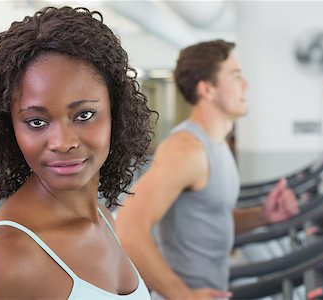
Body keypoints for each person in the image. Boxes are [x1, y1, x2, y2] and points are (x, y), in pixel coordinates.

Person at [0, 6, 156, 299]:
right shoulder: (6, 257)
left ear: (116, 113)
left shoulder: (103, 220)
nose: (62, 142)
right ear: (10, 129)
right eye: (36, 122)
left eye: (84, 115)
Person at [115, 39, 300, 300]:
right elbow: (128, 228)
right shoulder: (187, 150)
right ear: (208, 90)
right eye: (235, 76)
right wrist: (184, 296)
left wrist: (263, 217)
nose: (246, 85)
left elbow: (213, 219)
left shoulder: (216, 145)